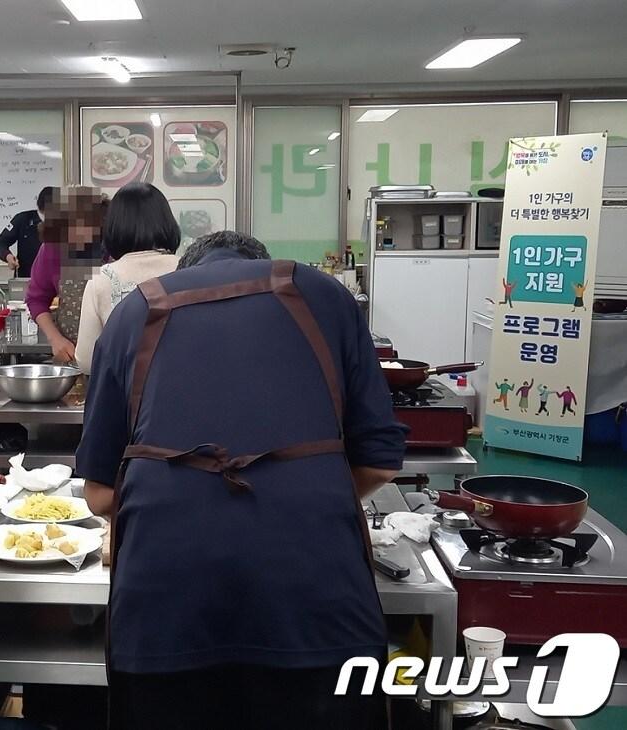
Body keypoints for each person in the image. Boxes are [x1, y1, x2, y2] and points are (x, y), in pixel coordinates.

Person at [77, 230, 406, 730]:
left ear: (185, 270)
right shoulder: (323, 296)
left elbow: (100, 493)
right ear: (261, 263)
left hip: (164, 616)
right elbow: (380, 462)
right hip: (316, 608)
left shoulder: (133, 312)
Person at [76, 183, 179, 375]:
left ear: (114, 227)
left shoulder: (102, 278)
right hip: (184, 394)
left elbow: (87, 360)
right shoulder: (188, 268)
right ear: (167, 221)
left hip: (126, 398)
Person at [25, 187, 110, 363]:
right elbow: (36, 300)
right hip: (71, 355)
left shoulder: (114, 246)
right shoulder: (52, 249)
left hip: (114, 353)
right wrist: (55, 338)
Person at [0, 186, 53, 278]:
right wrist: (8, 257)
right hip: (26, 278)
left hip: (56, 281)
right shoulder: (22, 219)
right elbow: (1, 243)